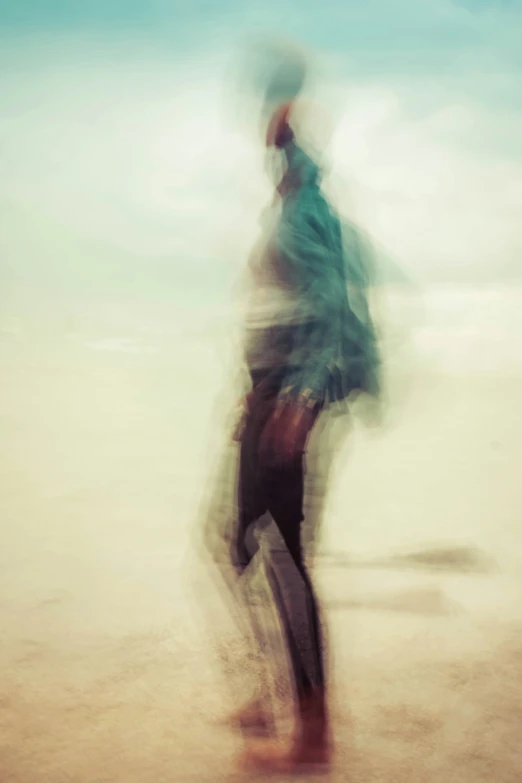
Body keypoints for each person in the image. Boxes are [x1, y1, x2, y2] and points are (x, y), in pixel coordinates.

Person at [202, 85, 380, 774]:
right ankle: (272, 695)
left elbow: (330, 302)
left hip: (290, 400)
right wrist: (253, 395)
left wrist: (301, 396)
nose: (268, 125)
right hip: (267, 395)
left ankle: (313, 730)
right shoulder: (285, 198)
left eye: (281, 118)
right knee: (232, 542)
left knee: (281, 554)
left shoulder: (307, 206)